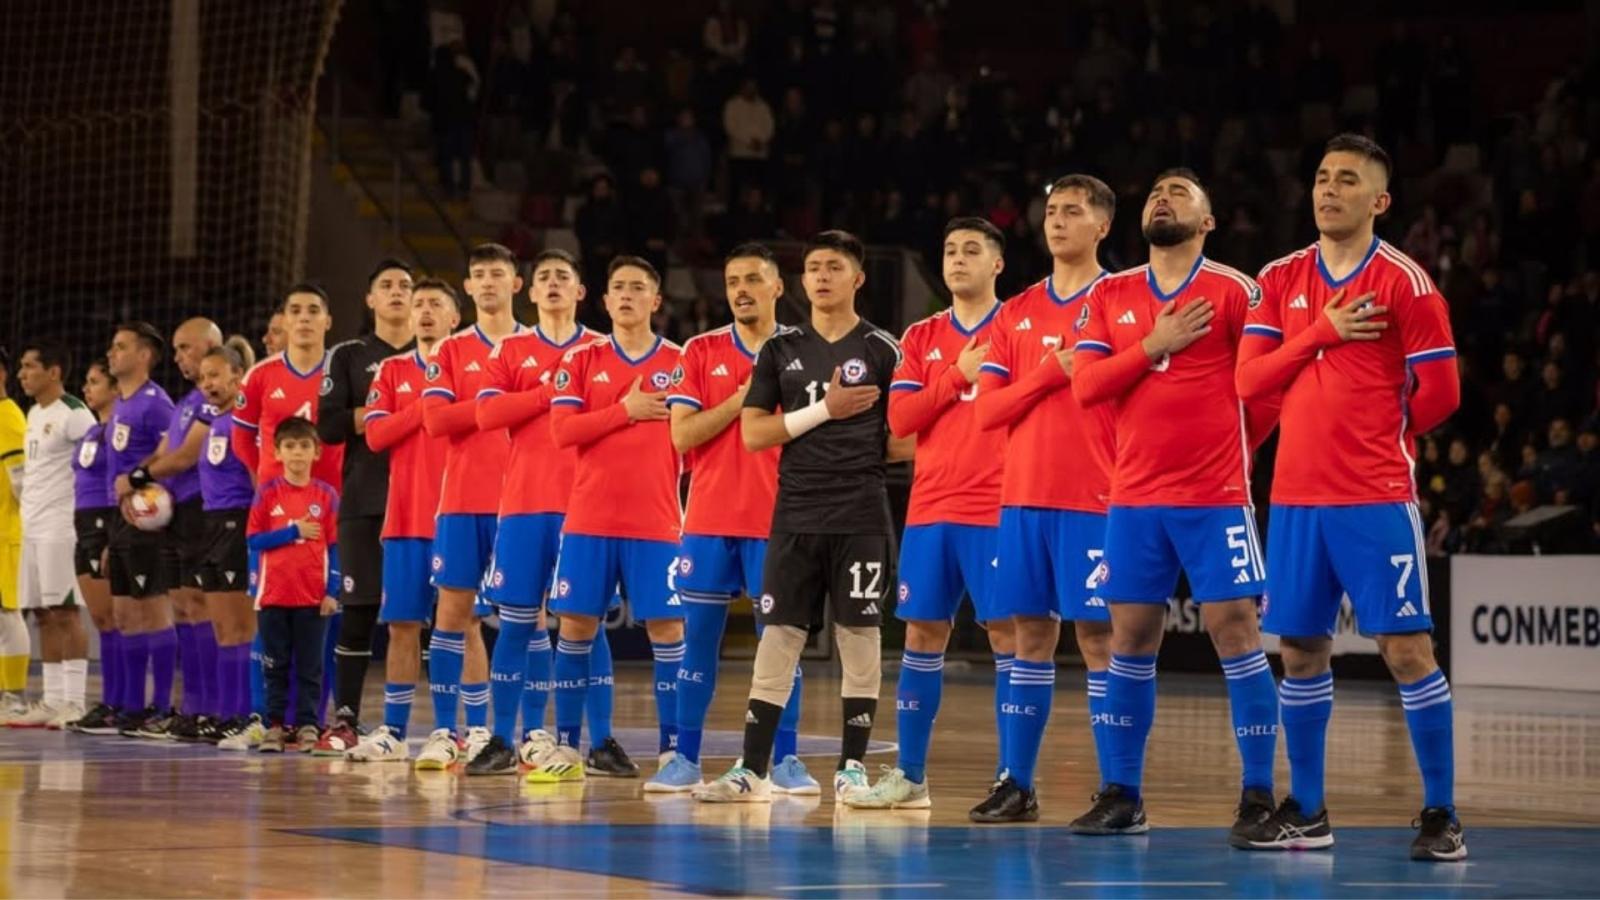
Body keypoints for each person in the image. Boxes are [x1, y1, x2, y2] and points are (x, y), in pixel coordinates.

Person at [1235, 133, 1466, 861]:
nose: (1328, 189)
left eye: (1347, 180)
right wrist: (1322, 333)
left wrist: (1380, 435)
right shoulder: (1280, 277)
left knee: (1405, 649)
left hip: (1373, 495)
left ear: (1380, 200)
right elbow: (1249, 382)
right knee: (1301, 651)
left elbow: (1444, 394)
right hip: (1297, 499)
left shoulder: (1406, 281)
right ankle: (1309, 810)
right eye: (1322, 177)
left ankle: (1441, 814)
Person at [1068, 169, 1281, 839]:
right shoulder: (1112, 293)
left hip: (1214, 497)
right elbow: (1087, 387)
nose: (1162, 197)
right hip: (1134, 498)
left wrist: (1233, 449)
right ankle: (1123, 795)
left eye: (1180, 193)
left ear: (1209, 221)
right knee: (1128, 639)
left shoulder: (1236, 289)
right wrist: (1154, 344)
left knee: (1236, 633)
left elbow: (1266, 391)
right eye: (1156, 191)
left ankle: (1257, 795)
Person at [695, 230, 909, 803]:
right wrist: (826, 410)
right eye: (813, 267)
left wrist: (875, 445)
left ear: (857, 278)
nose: (820, 276)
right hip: (795, 512)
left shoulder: (885, 350)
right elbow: (753, 434)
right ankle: (752, 770)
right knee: (778, 638)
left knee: (860, 636)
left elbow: (910, 435)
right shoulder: (779, 350)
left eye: (833, 266)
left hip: (861, 512)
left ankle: (852, 770)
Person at [964, 177, 1118, 823]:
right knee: (1030, 636)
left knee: (1101, 640)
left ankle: (1118, 789)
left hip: (1097, 494)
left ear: (1102, 225)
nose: (1057, 221)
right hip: (1023, 495)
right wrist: (1049, 374)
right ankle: (1016, 783)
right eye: (1051, 211)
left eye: (1072, 212)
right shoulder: (1018, 310)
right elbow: (988, 412)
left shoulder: (1120, 298)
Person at [848, 218, 1012, 811]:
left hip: (998, 503)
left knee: (1008, 635)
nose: (957, 259)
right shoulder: (921, 336)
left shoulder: (1016, 325)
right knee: (922, 633)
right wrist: (955, 377)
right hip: (933, 505)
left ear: (998, 263)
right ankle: (911, 776)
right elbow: (899, 422)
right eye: (949, 250)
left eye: (972, 250)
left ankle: (1011, 778)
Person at [648, 242, 816, 794]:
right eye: (731, 281)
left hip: (780, 522)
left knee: (781, 645)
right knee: (697, 642)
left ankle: (785, 761)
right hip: (709, 519)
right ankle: (685, 758)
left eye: (751, 279)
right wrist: (743, 400)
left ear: (777, 287)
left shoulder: (804, 349)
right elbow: (681, 435)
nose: (740, 290)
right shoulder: (698, 351)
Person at [531, 255, 686, 783]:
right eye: (617, 286)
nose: (626, 294)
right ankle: (569, 748)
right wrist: (627, 409)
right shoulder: (579, 359)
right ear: (604, 300)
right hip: (590, 517)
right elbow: (561, 432)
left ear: (655, 300)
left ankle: (673, 752)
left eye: (637, 287)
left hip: (657, 519)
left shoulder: (680, 361)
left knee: (668, 629)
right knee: (575, 625)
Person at [468, 250, 599, 775]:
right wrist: (552, 394)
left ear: (580, 292)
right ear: (530, 290)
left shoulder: (600, 349)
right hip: (522, 502)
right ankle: (504, 738)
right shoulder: (510, 348)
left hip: (588, 506)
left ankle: (572, 741)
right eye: (543, 276)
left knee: (582, 624)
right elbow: (485, 413)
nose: (551, 284)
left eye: (562, 277)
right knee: (518, 622)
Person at [416, 243, 522, 769]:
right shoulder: (452, 351)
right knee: (454, 615)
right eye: (477, 274)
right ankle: (449, 731)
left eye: (496, 274)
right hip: (460, 500)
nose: (486, 283)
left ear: (515, 284)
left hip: (525, 501)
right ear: (468, 286)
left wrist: (474, 408)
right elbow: (434, 422)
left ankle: (527, 733)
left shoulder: (537, 348)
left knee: (536, 618)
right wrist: (497, 408)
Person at [344, 278, 459, 762]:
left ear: (456, 316)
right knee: (402, 625)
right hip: (406, 517)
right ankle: (393, 731)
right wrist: (426, 406)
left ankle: (452, 733)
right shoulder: (391, 369)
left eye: (436, 303)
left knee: (461, 625)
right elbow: (375, 435)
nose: (426, 311)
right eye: (419, 305)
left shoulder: (473, 365)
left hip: (458, 514)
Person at [314, 259, 416, 753]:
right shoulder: (348, 355)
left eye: (405, 286)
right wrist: (391, 414)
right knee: (358, 612)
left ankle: (454, 726)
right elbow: (328, 425)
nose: (397, 292)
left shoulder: (438, 354)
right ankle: (346, 718)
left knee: (446, 617)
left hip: (427, 503)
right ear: (370, 299)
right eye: (387, 286)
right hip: (365, 498)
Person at [233, 286, 344, 729]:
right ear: (285, 319)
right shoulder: (260, 375)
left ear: (327, 321)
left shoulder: (341, 371)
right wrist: (267, 485)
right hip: (277, 515)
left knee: (323, 617)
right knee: (269, 622)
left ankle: (312, 721)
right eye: (295, 310)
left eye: (313, 311)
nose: (304, 318)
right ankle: (266, 717)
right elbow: (243, 438)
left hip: (328, 512)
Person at [136, 318, 223, 739]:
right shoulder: (187, 400)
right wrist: (142, 474)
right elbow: (165, 449)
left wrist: (137, 478)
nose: (178, 357)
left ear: (209, 347)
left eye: (185, 347)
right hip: (174, 513)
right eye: (176, 349)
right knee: (184, 608)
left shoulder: (210, 399)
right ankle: (191, 706)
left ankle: (210, 707)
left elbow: (186, 456)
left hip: (198, 509)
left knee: (200, 605)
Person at [10, 341, 97, 728]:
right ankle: (52, 700)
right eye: (22, 367)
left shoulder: (75, 415)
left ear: (54, 372)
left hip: (60, 528)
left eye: (30, 366)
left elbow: (99, 461)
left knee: (65, 612)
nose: (22, 374)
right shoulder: (32, 413)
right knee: (43, 615)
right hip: (30, 526)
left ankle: (75, 702)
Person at [245, 417, 340, 753]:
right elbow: (254, 540)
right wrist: (293, 531)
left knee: (311, 666)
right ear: (277, 452)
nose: (297, 453)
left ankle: (308, 725)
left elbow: (334, 546)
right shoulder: (268, 494)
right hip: (273, 596)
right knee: (275, 664)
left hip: (312, 598)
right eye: (290, 446)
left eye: (304, 446)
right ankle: (274, 725)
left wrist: (333, 591)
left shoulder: (326, 496)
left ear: (316, 452)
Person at [103, 323, 179, 735]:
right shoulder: (122, 404)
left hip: (144, 517)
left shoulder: (155, 403)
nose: (112, 353)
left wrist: (137, 480)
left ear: (144, 355)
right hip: (118, 520)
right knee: (124, 613)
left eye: (121, 347)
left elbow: (170, 451)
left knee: (152, 611)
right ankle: (132, 706)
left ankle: (162, 706)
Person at [195, 339, 264, 749]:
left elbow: (257, 478)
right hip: (210, 523)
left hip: (238, 521)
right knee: (222, 625)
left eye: (215, 375)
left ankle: (245, 713)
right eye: (203, 377)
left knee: (241, 626)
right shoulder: (213, 420)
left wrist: (259, 524)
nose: (207, 384)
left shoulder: (243, 420)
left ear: (237, 377)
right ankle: (227, 713)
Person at [64, 361, 123, 734]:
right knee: (102, 621)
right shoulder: (92, 431)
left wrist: (112, 537)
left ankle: (121, 703)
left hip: (106, 525)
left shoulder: (120, 432)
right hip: (83, 526)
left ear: (117, 389)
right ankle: (109, 702)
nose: (87, 388)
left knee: (116, 620)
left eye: (95, 382)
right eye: (85, 382)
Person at [0, 347, 29, 720]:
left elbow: (22, 483)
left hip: (6, 533)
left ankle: (15, 696)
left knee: (8, 615)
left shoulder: (8, 419)